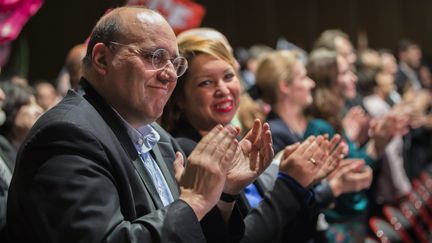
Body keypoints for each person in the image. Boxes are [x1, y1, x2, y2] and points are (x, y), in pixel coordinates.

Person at [6, 7, 266, 243]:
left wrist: (224, 193)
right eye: (154, 57)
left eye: (175, 63)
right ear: (102, 60)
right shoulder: (66, 134)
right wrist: (194, 200)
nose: (169, 74)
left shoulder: (159, 138)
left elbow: (193, 232)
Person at [161, 35, 346, 242]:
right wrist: (290, 185)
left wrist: (304, 185)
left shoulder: (234, 140)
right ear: (180, 98)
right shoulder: (187, 152)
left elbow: (284, 230)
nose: (223, 89)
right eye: (206, 83)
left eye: (229, 76)